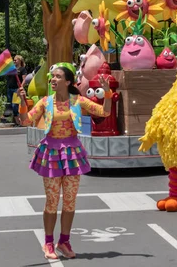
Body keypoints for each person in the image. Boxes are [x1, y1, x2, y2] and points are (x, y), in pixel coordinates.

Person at [19, 66, 112, 260]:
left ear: (68, 82)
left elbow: (104, 112)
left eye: (58, 77)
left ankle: (64, 241)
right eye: (52, 76)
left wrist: (108, 93)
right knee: (52, 201)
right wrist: (22, 102)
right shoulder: (46, 102)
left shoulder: (77, 101)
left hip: (72, 153)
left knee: (69, 201)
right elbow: (25, 121)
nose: (53, 79)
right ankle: (49, 243)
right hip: (51, 154)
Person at [6, 55, 27, 126]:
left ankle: (19, 122)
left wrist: (20, 88)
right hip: (10, 89)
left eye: (16, 60)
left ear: (20, 60)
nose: (14, 61)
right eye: (14, 60)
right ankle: (17, 122)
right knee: (12, 106)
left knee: (15, 105)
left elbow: (24, 80)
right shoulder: (11, 69)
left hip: (16, 89)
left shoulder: (22, 69)